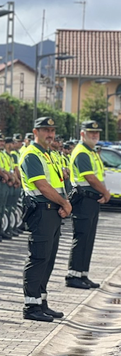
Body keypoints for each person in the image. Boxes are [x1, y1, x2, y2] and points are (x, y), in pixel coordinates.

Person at [19, 116, 71, 322]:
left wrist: (64, 203)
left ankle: (41, 302)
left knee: (48, 259)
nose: (50, 134)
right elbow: (42, 186)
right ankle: (31, 307)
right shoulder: (31, 155)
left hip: (53, 211)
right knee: (38, 257)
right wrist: (65, 203)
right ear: (35, 132)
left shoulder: (48, 154)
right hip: (41, 210)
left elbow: (57, 183)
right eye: (45, 130)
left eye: (52, 130)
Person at [65, 120, 110, 290]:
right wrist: (105, 192)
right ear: (82, 134)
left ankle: (82, 273)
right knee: (82, 236)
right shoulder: (82, 152)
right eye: (91, 133)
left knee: (88, 238)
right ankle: (73, 275)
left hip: (91, 200)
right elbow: (90, 177)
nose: (95, 135)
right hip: (84, 199)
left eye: (97, 133)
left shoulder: (90, 152)